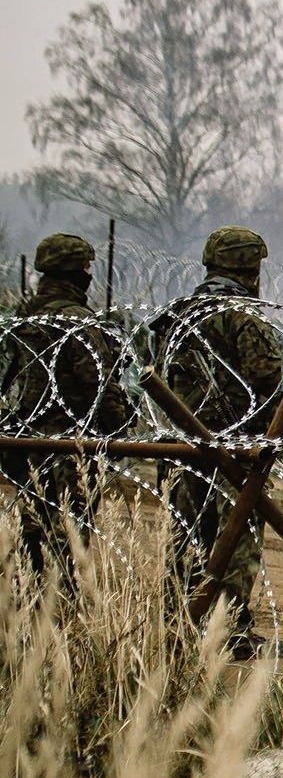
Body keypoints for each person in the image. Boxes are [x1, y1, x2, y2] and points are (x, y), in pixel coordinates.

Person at [157, 225, 283, 660]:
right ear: (250, 268)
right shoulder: (240, 313)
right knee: (236, 536)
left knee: (186, 531)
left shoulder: (179, 312)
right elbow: (269, 376)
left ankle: (178, 622)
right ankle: (229, 628)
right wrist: (268, 430)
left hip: (180, 441)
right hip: (234, 444)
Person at [0, 232, 134, 580]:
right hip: (69, 443)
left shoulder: (23, 318)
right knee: (68, 535)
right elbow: (99, 386)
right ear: (78, 273)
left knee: (32, 527)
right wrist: (118, 431)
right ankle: (61, 610)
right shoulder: (78, 320)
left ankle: (29, 605)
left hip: (25, 440)